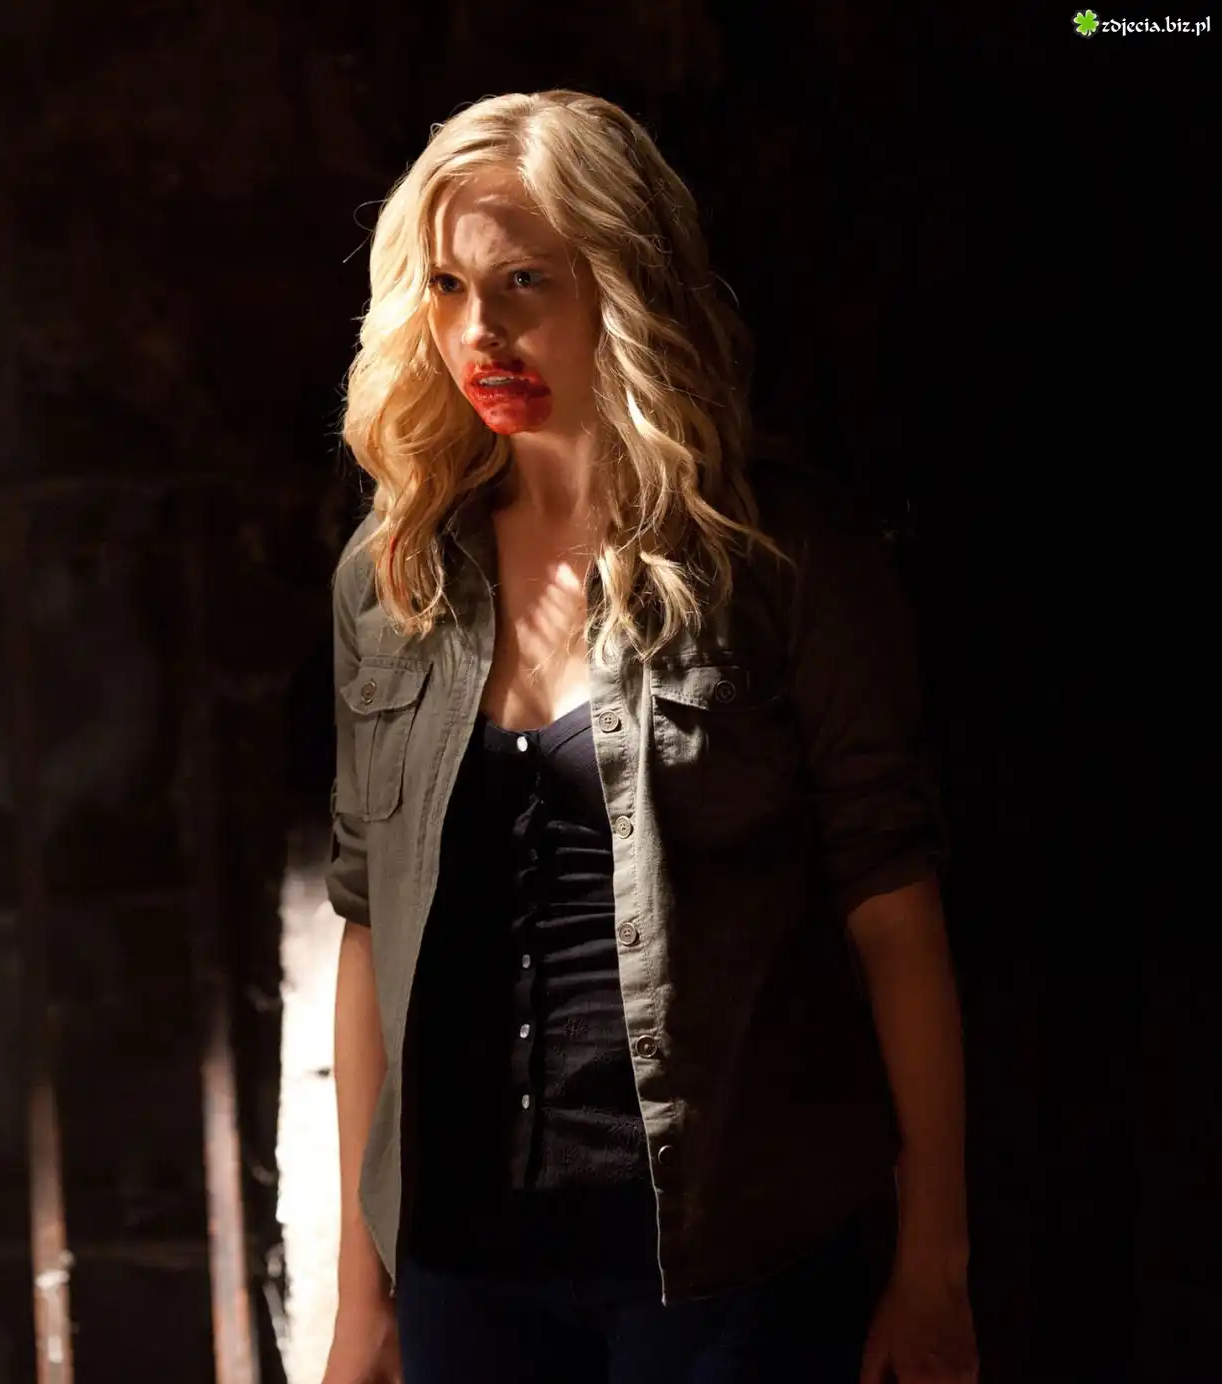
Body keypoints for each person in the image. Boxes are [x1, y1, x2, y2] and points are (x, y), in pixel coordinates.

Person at [320, 91, 979, 1384]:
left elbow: (894, 914)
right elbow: (365, 933)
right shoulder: (393, 579)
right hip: (465, 1267)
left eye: (524, 281)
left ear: (621, 282)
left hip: (731, 1264)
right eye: (448, 287)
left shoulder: (784, 558)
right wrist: (364, 1294)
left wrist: (933, 1263)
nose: (480, 329)